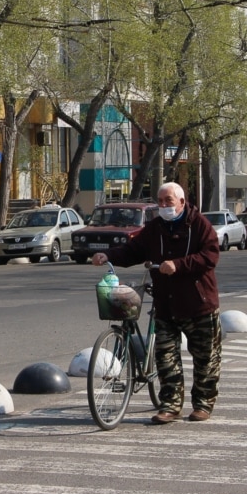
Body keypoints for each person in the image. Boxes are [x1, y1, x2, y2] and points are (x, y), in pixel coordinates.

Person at [90, 182, 222, 424]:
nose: (163, 206)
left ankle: (203, 404)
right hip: (166, 304)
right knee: (166, 358)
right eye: (160, 201)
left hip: (199, 304)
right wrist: (108, 255)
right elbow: (133, 250)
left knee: (206, 358)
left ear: (181, 202)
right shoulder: (155, 228)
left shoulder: (199, 225)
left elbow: (210, 255)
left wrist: (178, 265)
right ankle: (170, 406)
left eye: (168, 201)